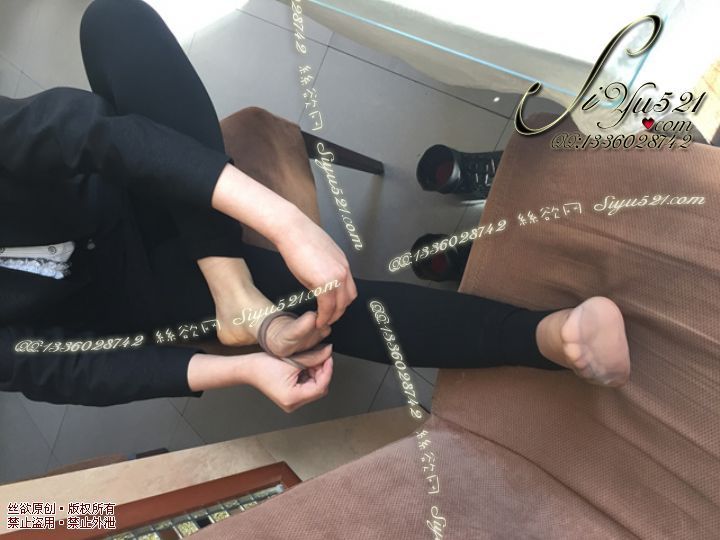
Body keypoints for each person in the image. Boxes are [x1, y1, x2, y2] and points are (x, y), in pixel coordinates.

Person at [0, 0, 630, 410]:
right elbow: (56, 371)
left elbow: (83, 134)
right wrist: (243, 369)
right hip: (136, 293)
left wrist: (281, 223)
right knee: (314, 311)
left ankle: (232, 284)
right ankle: (541, 338)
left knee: (113, 20)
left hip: (125, 179)